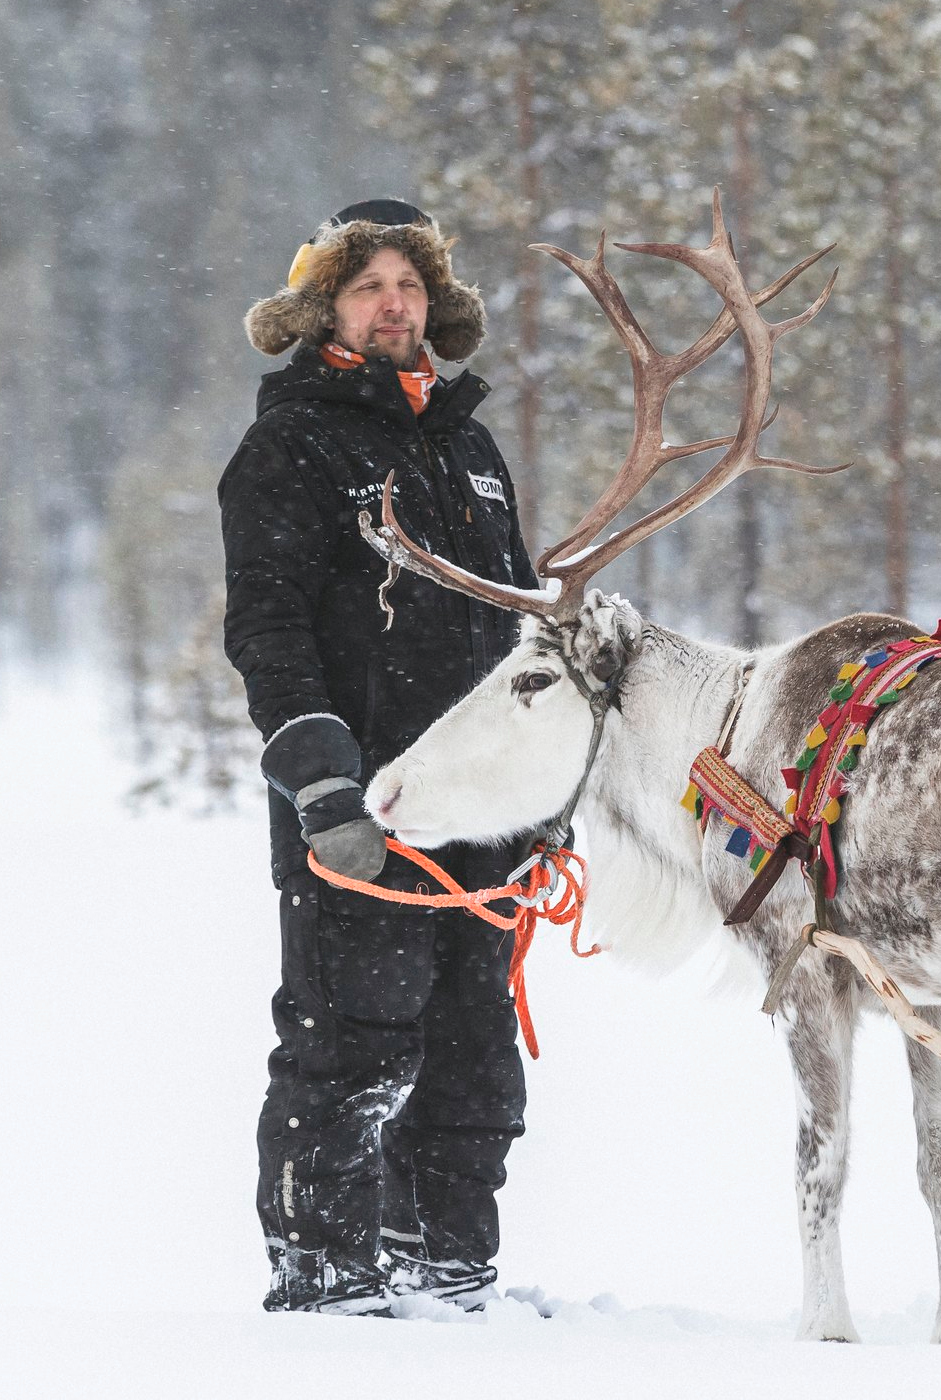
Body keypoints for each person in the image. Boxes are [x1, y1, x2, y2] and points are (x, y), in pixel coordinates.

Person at [223, 200, 538, 1315]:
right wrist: (319, 781)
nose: (393, 302)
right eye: (369, 287)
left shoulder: (469, 444)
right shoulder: (291, 445)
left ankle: (445, 1271)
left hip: (480, 817)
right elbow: (268, 629)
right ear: (328, 310)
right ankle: (327, 1292)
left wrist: (542, 795)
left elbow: (518, 637)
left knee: (472, 1062)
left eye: (409, 285)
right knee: (351, 1055)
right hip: (360, 812)